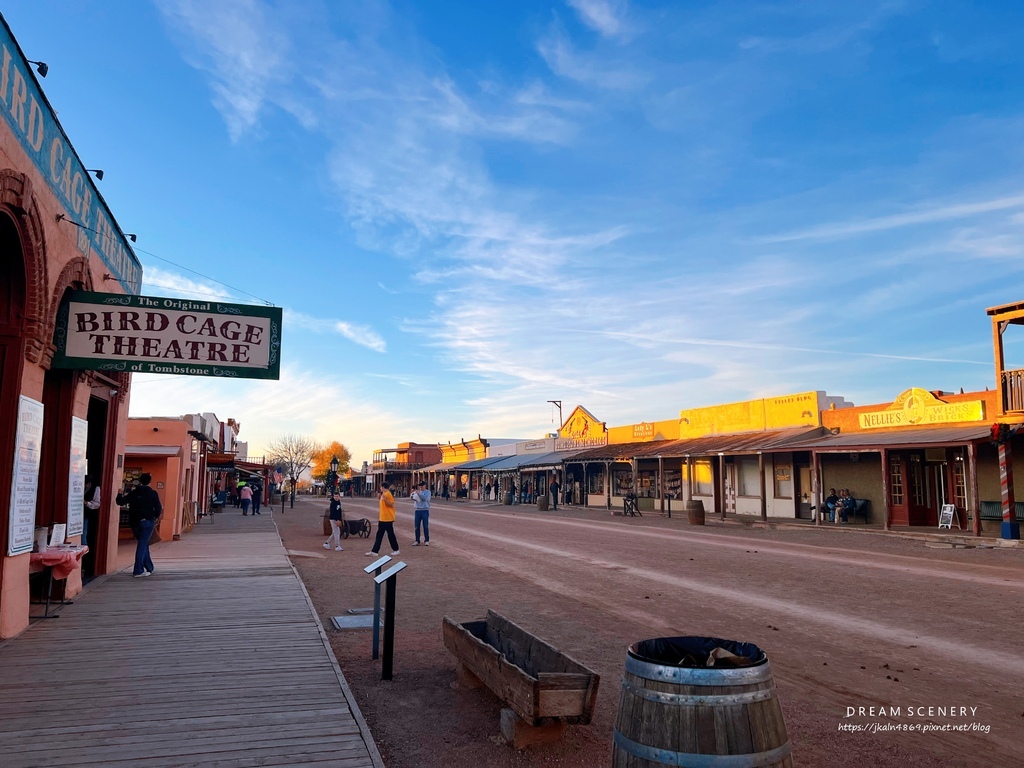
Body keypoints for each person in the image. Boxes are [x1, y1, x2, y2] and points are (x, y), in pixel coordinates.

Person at [116, 473, 162, 578]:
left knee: (144, 543)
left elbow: (120, 502)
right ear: (150, 481)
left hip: (135, 522)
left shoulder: (134, 493)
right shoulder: (153, 493)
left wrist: (119, 494)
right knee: (142, 544)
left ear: (140, 481)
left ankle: (149, 567)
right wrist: (154, 517)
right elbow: (158, 508)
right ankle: (138, 570)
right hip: (147, 521)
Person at [366, 483, 400, 556]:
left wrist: (385, 500)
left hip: (387, 518)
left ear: (383, 487)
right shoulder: (383, 494)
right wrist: (380, 498)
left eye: (381, 487)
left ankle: (396, 549)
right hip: (383, 518)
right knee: (380, 535)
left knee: (390, 534)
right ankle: (375, 551)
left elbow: (391, 504)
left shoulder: (388, 494)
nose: (380, 488)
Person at [411, 480, 431, 546]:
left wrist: (419, 494)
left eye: (422, 486)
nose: (421, 488)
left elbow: (425, 499)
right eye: (420, 486)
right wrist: (413, 495)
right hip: (417, 510)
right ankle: (417, 540)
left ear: (425, 486)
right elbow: (413, 498)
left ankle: (427, 540)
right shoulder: (417, 492)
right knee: (417, 526)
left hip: (425, 510)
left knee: (425, 526)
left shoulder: (428, 492)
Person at [83, 475, 101, 547]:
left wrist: (87, 503)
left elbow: (97, 504)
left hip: (87, 514)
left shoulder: (96, 488)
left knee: (84, 536)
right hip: (75, 513)